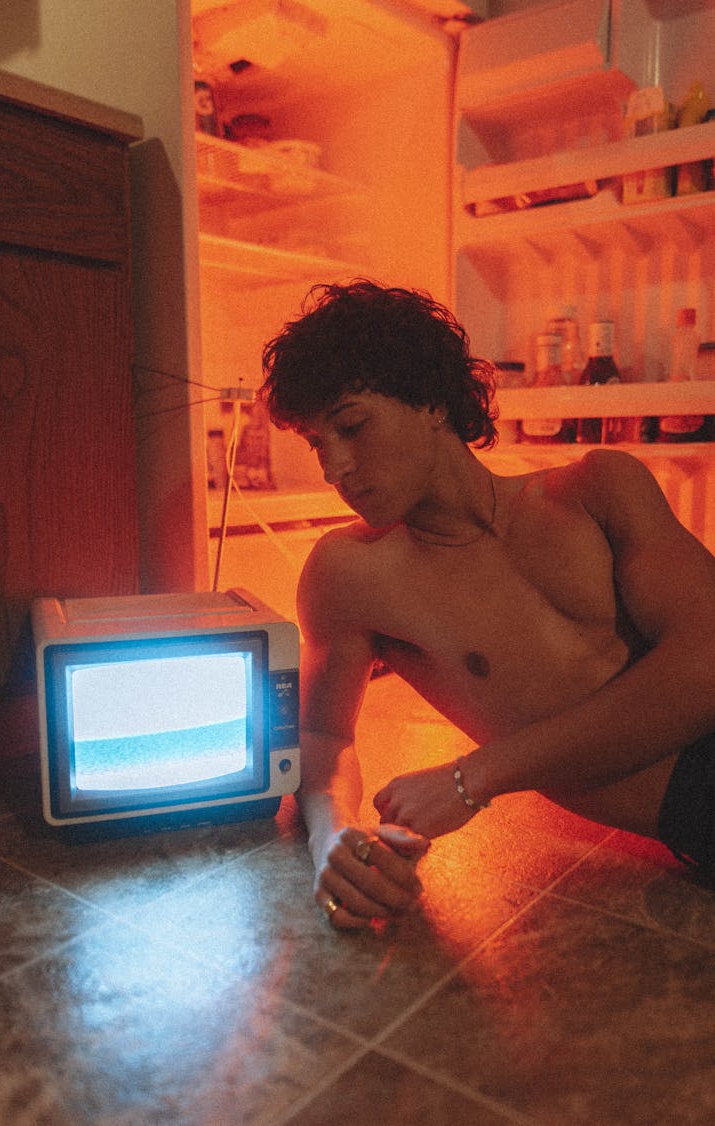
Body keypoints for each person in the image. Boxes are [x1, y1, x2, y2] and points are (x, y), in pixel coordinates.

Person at [260, 279, 715, 931]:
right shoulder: (350, 574)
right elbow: (321, 735)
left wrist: (471, 779)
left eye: (352, 426)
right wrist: (332, 837)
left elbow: (708, 659)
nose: (334, 467)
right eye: (315, 442)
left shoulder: (599, 491)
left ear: (432, 402)